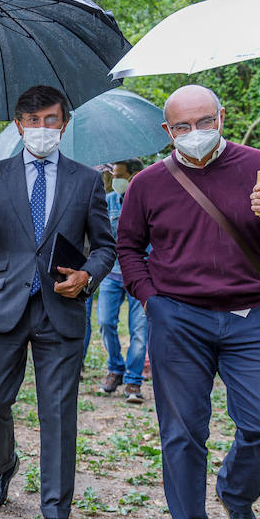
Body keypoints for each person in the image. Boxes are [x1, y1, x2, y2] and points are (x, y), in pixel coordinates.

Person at [117, 84, 260, 519]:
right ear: (168, 131)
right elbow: (129, 247)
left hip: (253, 315)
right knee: (182, 432)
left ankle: (236, 491)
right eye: (183, 126)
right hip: (179, 317)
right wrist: (151, 301)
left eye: (204, 121)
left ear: (221, 118)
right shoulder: (149, 183)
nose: (195, 133)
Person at [0, 85, 116, 519]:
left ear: (63, 125)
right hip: (3, 305)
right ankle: (3, 465)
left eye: (50, 119)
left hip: (61, 312)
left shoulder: (87, 180)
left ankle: (55, 514)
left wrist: (87, 276)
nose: (41, 128)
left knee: (58, 416)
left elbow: (105, 246)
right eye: (32, 119)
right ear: (17, 124)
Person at [97, 159, 149, 404]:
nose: (115, 179)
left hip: (142, 274)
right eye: (113, 175)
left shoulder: (149, 200)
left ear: (134, 175)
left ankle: (133, 380)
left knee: (139, 330)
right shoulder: (108, 202)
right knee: (105, 322)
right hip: (111, 274)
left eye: (119, 175)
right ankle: (115, 368)